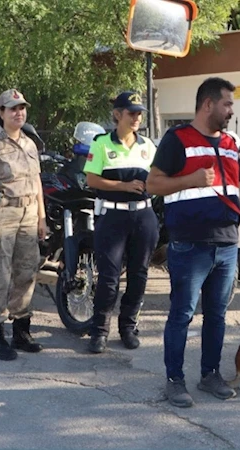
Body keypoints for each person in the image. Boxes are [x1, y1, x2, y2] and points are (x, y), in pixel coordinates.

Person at [147, 77, 240, 408]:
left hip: (226, 244)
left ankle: (210, 375)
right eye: (227, 104)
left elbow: (237, 191)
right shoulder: (177, 139)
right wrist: (190, 179)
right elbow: (153, 184)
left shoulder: (230, 143)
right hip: (190, 245)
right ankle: (174, 380)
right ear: (208, 104)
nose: (231, 110)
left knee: (217, 315)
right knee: (182, 314)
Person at [84, 92, 159, 353]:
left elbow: (158, 177)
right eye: (131, 113)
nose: (137, 118)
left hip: (143, 216)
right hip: (113, 216)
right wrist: (123, 186)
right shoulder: (102, 143)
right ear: (117, 115)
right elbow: (92, 180)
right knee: (109, 277)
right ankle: (99, 330)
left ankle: (128, 327)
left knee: (139, 274)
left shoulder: (147, 145)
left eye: (140, 113)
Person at [0, 89, 47, 361]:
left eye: (22, 108)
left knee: (26, 272)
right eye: (12, 108)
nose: (19, 113)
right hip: (2, 214)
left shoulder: (30, 144)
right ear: (1, 113)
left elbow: (37, 182)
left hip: (29, 213)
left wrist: (41, 218)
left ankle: (21, 331)